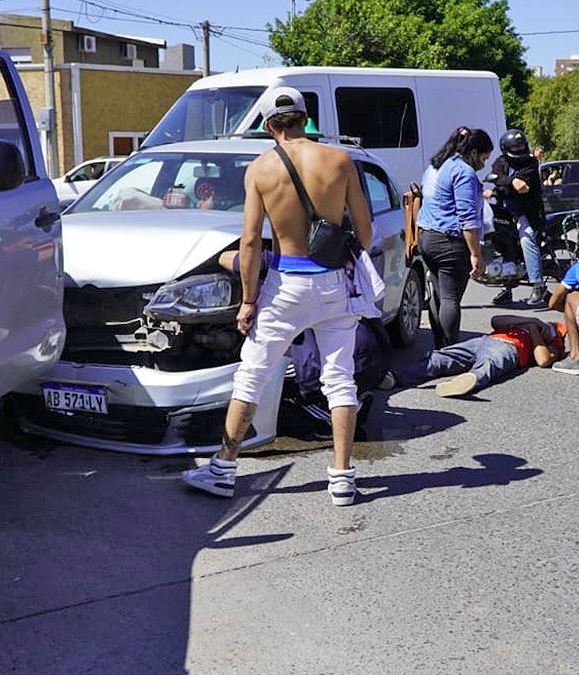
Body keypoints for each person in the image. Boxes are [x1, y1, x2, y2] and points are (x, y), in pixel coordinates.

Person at [182, 87, 372, 506]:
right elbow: (365, 231)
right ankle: (342, 478)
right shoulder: (340, 160)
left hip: (285, 285)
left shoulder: (260, 169)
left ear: (269, 125)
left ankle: (223, 470)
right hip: (332, 283)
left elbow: (250, 241)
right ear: (305, 118)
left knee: (252, 375)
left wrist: (249, 300)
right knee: (340, 379)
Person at [217, 251, 390, 440]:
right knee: (340, 381)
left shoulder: (286, 264)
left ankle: (327, 416)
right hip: (373, 349)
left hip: (339, 361)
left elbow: (232, 257)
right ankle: (343, 447)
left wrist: (248, 298)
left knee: (263, 376)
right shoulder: (344, 256)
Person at [417, 126, 494, 348]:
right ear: (473, 151)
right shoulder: (464, 172)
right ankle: (451, 351)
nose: (483, 164)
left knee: (439, 295)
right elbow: (467, 219)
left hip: (427, 238)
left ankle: (440, 348)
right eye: (484, 158)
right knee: (450, 298)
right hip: (449, 242)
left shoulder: (436, 165)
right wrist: (476, 254)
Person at [379, 315, 565, 398]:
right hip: (484, 340)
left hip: (509, 348)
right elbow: (496, 320)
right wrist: (530, 321)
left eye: (552, 329)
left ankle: (467, 380)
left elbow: (543, 360)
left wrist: (534, 331)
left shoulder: (554, 342)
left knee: (488, 365)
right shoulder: (526, 324)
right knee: (441, 357)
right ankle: (394, 378)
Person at [487, 129, 547, 306]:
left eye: (520, 145)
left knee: (526, 237)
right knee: (503, 243)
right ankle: (507, 288)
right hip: (504, 210)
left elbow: (519, 182)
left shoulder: (531, 163)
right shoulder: (501, 161)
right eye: (514, 146)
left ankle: (538, 285)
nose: (519, 149)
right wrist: (504, 185)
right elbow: (497, 177)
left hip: (526, 212)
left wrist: (510, 182)